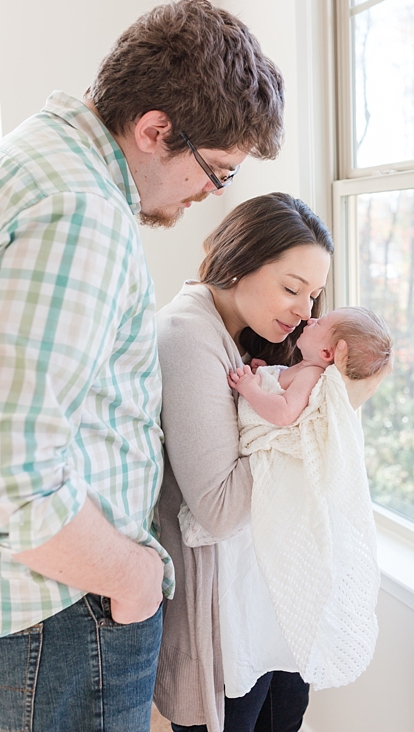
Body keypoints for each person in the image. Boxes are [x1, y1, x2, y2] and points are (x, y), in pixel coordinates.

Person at [0, 1, 283, 729]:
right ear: (156, 129)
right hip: (62, 616)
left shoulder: (37, 157)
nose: (209, 195)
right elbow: (15, 471)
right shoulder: (82, 213)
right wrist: (135, 576)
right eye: (214, 171)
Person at [154, 192, 389, 732]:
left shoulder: (252, 340)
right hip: (231, 627)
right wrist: (325, 417)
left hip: (275, 609)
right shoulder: (188, 338)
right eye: (291, 288)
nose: (304, 312)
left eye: (314, 295)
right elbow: (218, 510)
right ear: (238, 262)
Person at [227, 306, 392, 426]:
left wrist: (250, 388)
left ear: (326, 353)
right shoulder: (304, 369)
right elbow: (280, 387)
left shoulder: (311, 375)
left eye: (319, 324)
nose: (310, 320)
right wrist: (265, 373)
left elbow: (284, 413)